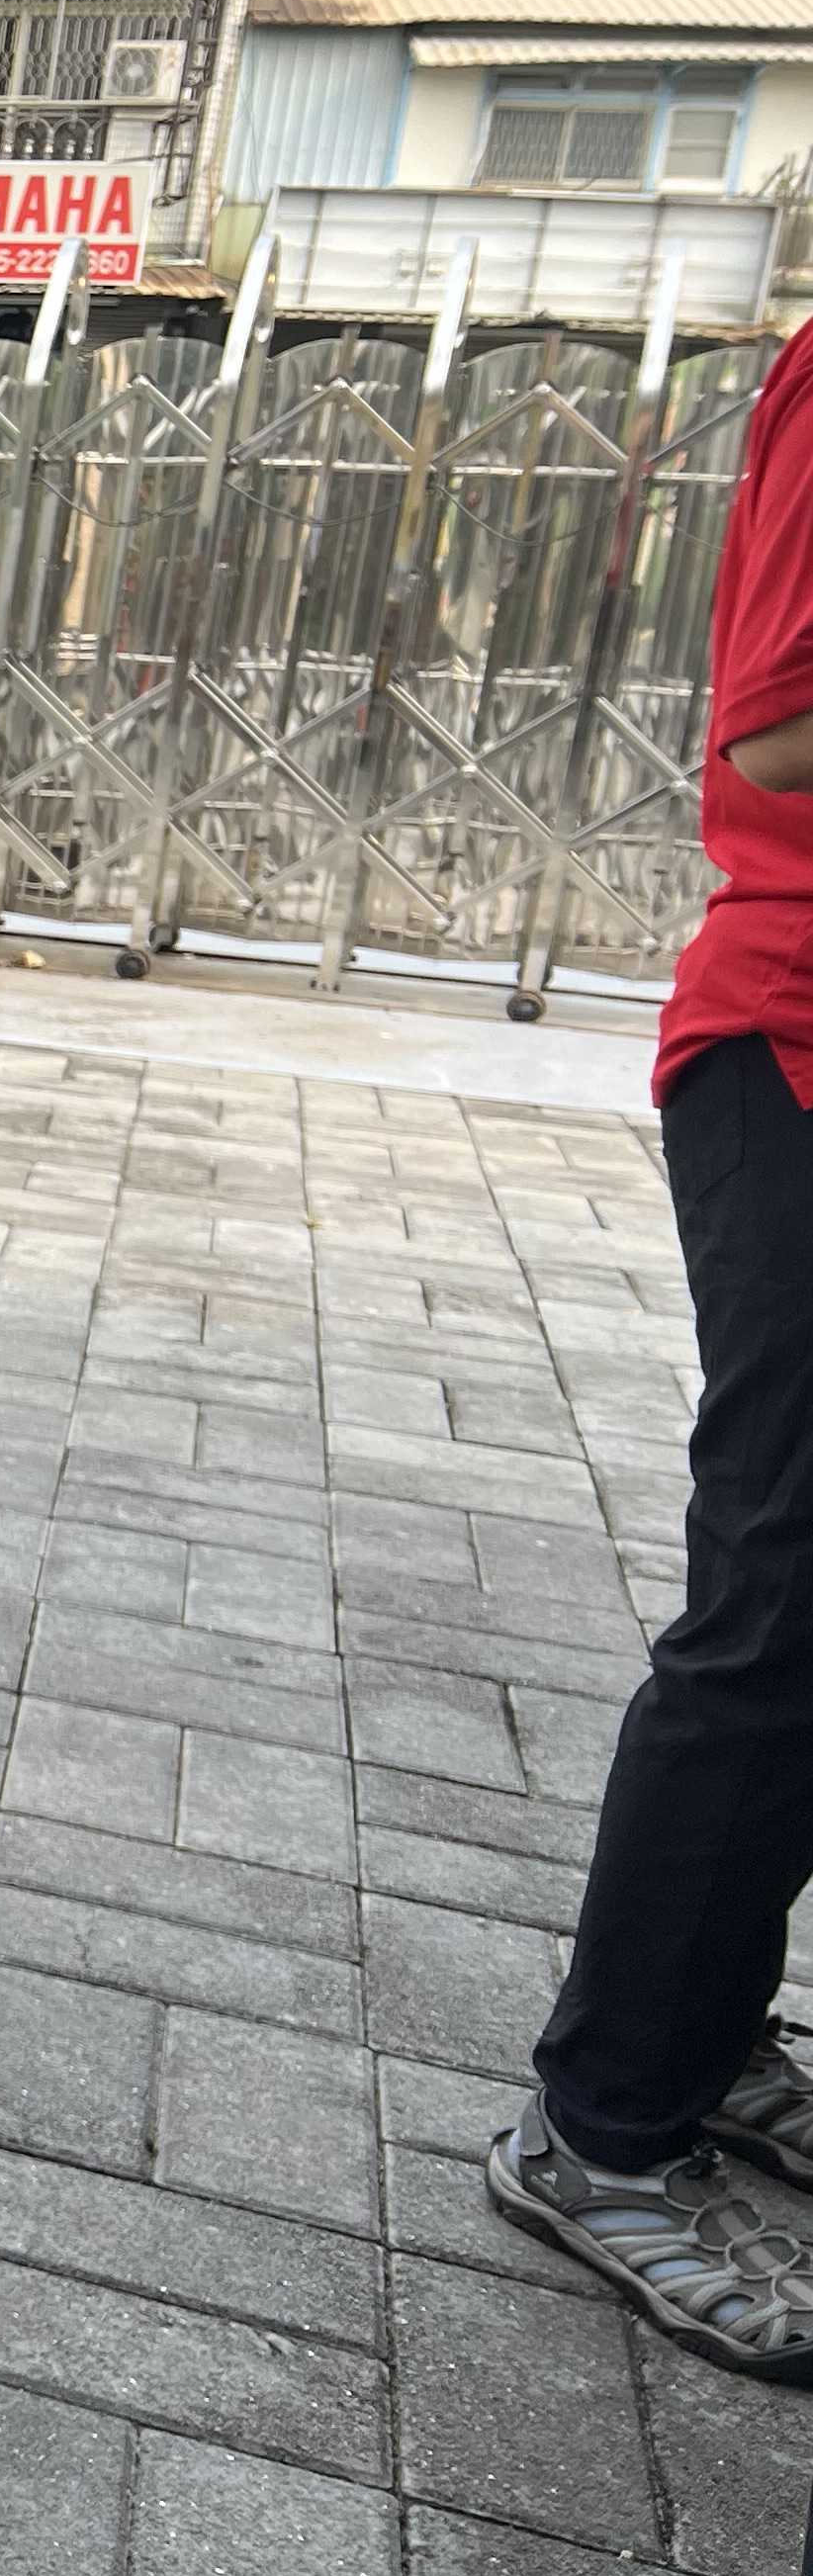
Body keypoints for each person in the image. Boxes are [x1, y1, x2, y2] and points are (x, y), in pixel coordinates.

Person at [492, 317, 813, 2386]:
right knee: (783, 1604)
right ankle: (606, 2126)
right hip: (795, 1048)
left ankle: (708, 2034)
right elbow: (778, 739)